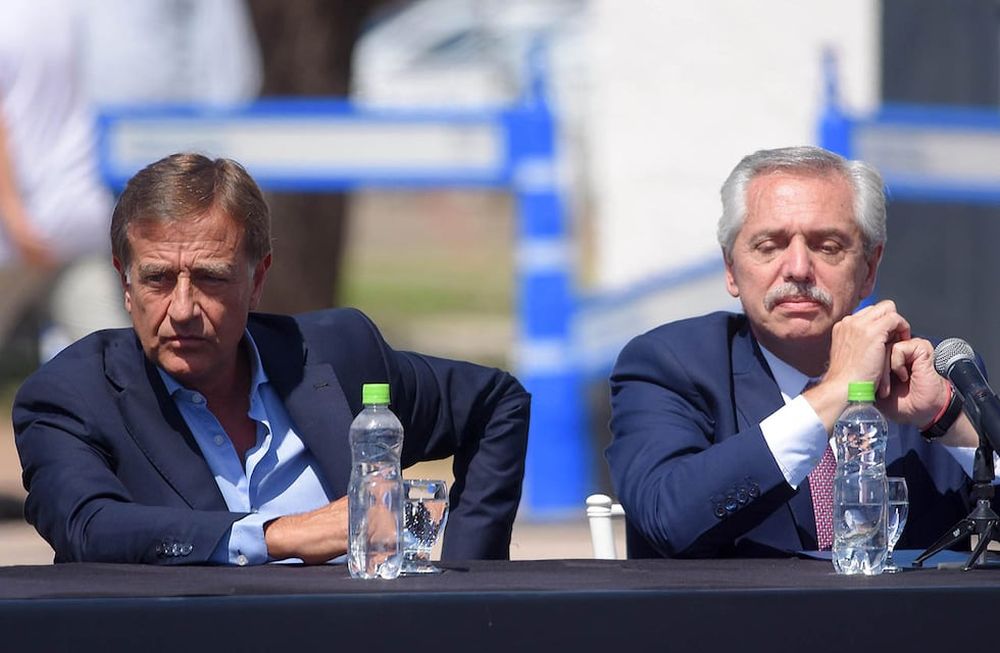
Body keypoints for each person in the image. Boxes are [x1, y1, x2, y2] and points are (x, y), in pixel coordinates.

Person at [13, 152, 529, 565]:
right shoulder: (71, 394)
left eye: (211, 277)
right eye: (157, 279)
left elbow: (495, 402)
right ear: (124, 282)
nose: (183, 309)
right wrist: (282, 535)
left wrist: (470, 589)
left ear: (258, 279)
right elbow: (89, 526)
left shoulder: (337, 353)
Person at [607, 145, 986, 558]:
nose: (799, 269)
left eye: (828, 246)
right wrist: (834, 392)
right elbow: (668, 519)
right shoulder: (667, 366)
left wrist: (947, 421)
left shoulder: (929, 374)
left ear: (870, 269)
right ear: (731, 268)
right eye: (770, 245)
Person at [0, 0, 128, 359]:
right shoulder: (78, 10)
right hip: (80, 212)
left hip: (17, 233)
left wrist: (12, 215)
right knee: (112, 362)